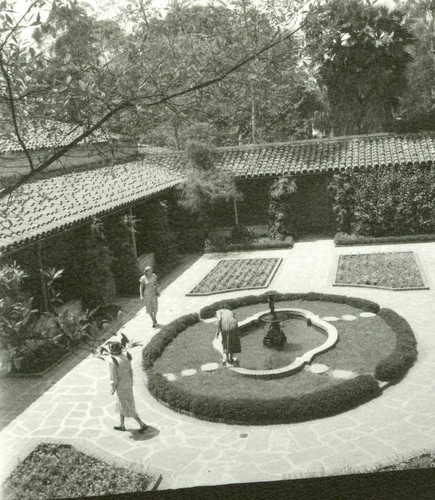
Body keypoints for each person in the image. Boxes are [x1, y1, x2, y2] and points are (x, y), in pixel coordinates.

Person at [108, 341, 148, 433]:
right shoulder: (125, 357)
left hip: (121, 385)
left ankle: (142, 424)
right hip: (128, 383)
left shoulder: (112, 362)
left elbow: (114, 377)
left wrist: (113, 388)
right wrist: (131, 381)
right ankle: (121, 424)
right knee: (122, 403)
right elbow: (131, 371)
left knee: (126, 405)